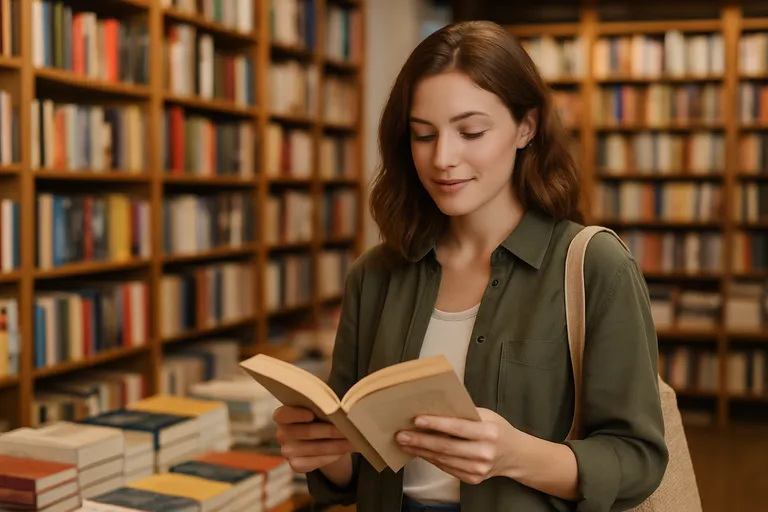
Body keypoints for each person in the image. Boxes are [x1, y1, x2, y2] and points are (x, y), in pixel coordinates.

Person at [272, 20, 668, 512]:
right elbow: (357, 468)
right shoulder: (374, 275)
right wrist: (321, 451)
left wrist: (515, 455)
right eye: (423, 135)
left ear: (527, 126)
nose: (443, 158)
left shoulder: (594, 266)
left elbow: (638, 460)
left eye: (471, 131)